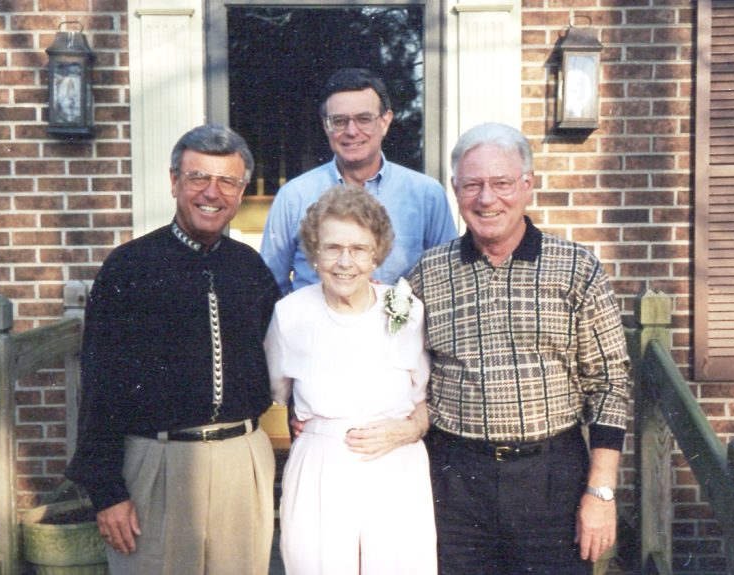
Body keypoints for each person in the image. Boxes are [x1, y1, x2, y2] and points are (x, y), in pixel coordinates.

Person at [408, 122, 631, 574]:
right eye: (472, 185)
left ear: (527, 185)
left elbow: (610, 384)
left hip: (551, 482)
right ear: (455, 190)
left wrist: (601, 492)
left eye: (501, 183)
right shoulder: (426, 275)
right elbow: (393, 363)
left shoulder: (577, 269)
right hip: (454, 483)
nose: (486, 199)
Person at [66, 124, 281, 575]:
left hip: (240, 461)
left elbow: (280, 356)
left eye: (228, 181)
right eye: (198, 177)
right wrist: (108, 492)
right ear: (173, 182)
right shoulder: (129, 267)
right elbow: (100, 384)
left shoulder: (250, 269)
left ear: (242, 191)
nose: (212, 193)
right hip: (155, 466)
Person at [265, 184, 437, 575]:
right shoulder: (290, 315)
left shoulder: (407, 310)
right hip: (321, 465)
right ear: (313, 252)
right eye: (332, 248)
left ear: (377, 253)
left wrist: (409, 429)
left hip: (397, 463)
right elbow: (279, 393)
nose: (346, 262)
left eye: (359, 249)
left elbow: (422, 396)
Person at [260, 67, 457, 294]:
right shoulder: (294, 196)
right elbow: (270, 285)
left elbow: (445, 280)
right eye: (339, 121)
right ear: (326, 125)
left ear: (385, 121)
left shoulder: (426, 195)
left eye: (364, 119)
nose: (352, 131)